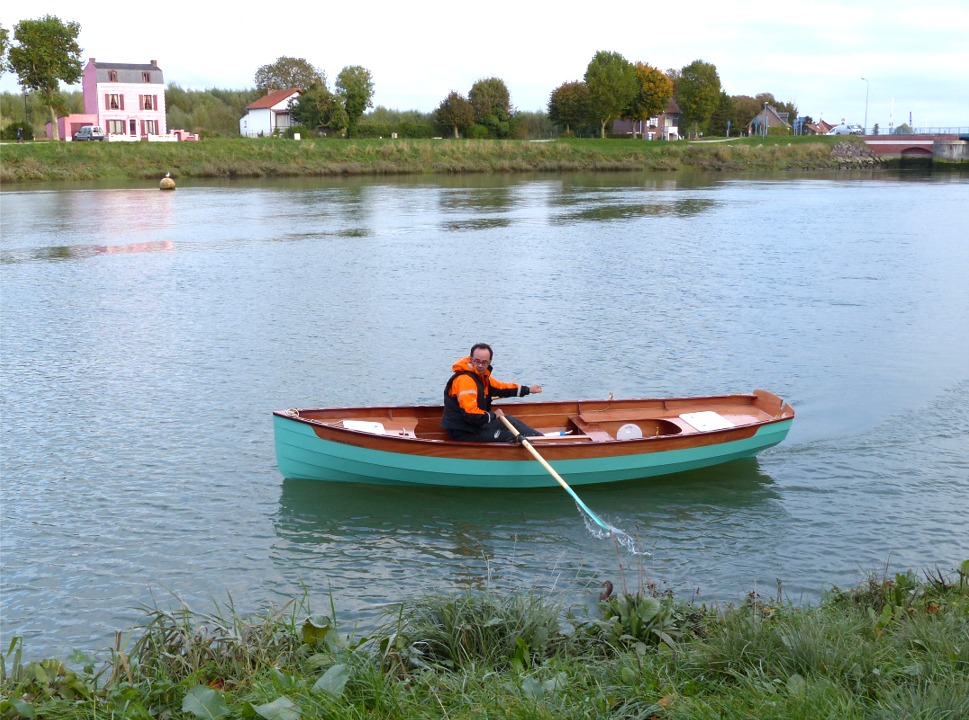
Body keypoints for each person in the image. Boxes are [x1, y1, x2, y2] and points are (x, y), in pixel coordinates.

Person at [441, 343, 543, 442]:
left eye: (484, 362)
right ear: (471, 360)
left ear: (489, 362)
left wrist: (528, 390)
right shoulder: (465, 380)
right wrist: (493, 415)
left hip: (477, 426)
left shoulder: (482, 378)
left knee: (508, 419)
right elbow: (471, 414)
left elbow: (502, 388)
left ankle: (540, 439)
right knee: (513, 437)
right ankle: (539, 445)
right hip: (463, 431)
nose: (480, 365)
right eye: (477, 361)